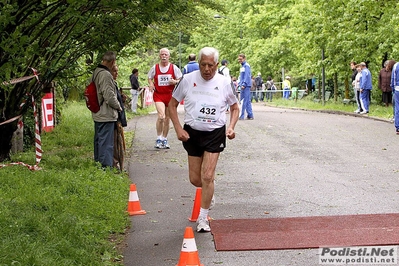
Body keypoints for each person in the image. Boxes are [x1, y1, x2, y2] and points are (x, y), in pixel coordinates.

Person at [169, 47, 239, 232]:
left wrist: (231, 127)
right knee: (195, 179)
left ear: (217, 65)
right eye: (203, 65)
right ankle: (209, 192)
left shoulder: (224, 83)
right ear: (198, 63)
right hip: (192, 132)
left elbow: (235, 107)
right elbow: (172, 104)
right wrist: (177, 128)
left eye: (210, 65)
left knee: (207, 176)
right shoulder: (187, 79)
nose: (207, 69)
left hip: (215, 132)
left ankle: (203, 218)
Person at [91, 51, 122, 168]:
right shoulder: (105, 74)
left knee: (99, 141)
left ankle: (99, 165)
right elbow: (109, 97)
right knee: (106, 143)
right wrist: (119, 107)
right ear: (112, 62)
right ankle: (105, 168)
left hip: (98, 112)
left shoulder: (96, 72)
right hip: (105, 113)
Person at [148, 48, 182, 149]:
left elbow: (180, 79)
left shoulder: (174, 68)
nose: (164, 56)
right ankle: (158, 138)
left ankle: (164, 138)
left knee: (167, 118)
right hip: (159, 95)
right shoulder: (155, 67)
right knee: (161, 116)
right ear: (159, 56)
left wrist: (175, 82)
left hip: (170, 96)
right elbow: (150, 77)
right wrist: (151, 84)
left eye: (165, 55)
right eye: (162, 54)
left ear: (169, 56)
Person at [111, 64, 127, 171]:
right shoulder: (109, 83)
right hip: (114, 117)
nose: (117, 74)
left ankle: (118, 164)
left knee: (119, 141)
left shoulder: (114, 84)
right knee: (115, 142)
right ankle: (115, 164)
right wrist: (119, 107)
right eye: (115, 71)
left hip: (118, 118)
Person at [238, 53, 254, 120]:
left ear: (244, 58)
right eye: (239, 59)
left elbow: (247, 76)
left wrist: (244, 84)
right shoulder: (242, 66)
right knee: (247, 100)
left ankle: (241, 115)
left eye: (241, 59)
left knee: (243, 100)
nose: (239, 61)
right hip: (244, 85)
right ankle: (250, 115)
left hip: (245, 86)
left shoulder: (246, 66)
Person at [391, 60, 399, 134]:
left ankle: (398, 127)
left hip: (397, 89)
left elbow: (393, 79)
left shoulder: (396, 65)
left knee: (397, 107)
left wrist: (393, 88)